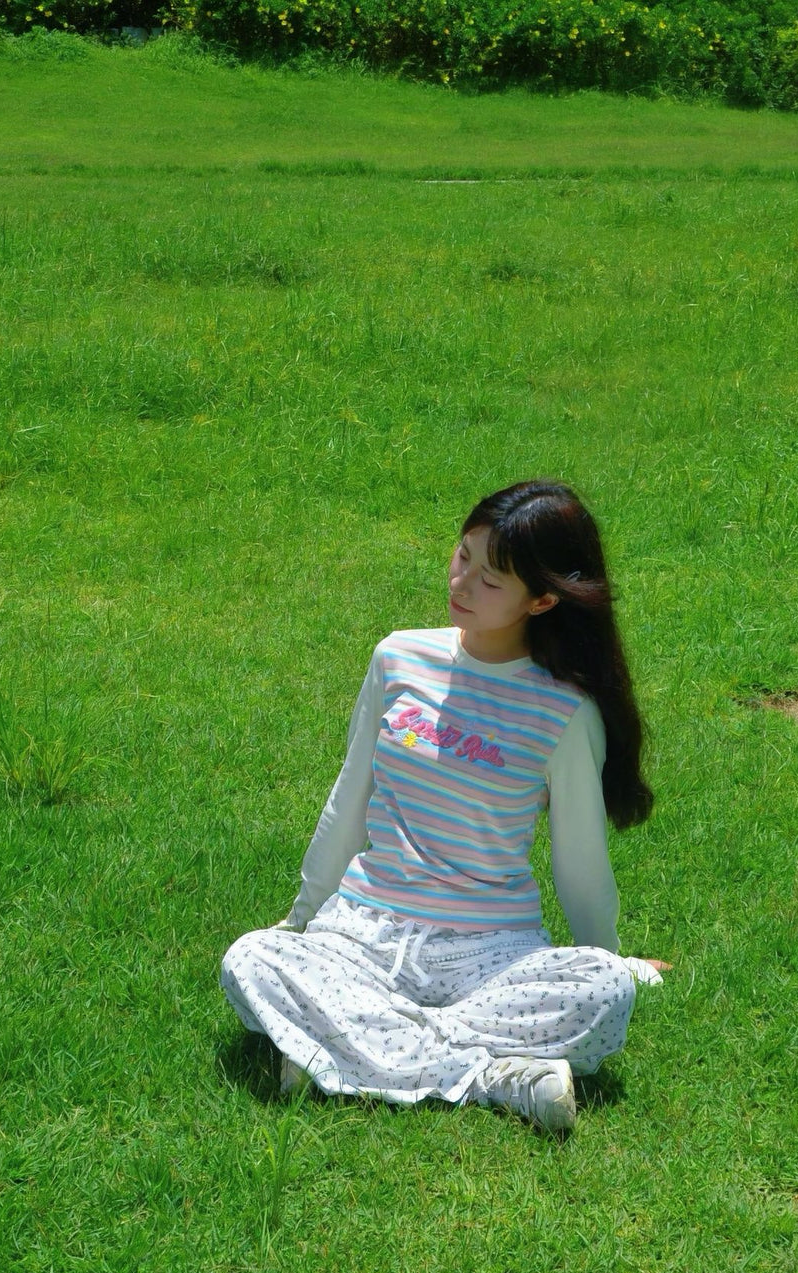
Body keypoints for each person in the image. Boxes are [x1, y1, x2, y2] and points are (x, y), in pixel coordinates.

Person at [221, 481, 669, 1134]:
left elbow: (580, 865)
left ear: (542, 599)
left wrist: (607, 958)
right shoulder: (398, 656)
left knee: (604, 990)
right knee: (251, 959)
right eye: (463, 555)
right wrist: (301, 919)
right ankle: (497, 1075)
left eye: (491, 579)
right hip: (364, 933)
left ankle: (337, 1054)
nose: (462, 581)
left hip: (491, 952)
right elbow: (349, 800)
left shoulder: (564, 710)